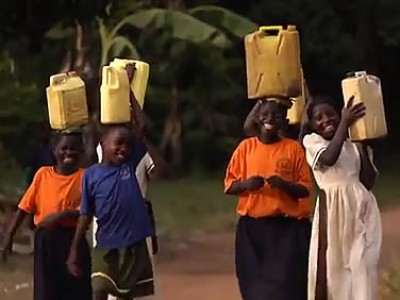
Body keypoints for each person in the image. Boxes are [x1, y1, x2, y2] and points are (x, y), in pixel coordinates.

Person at [67, 64, 154, 300]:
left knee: (125, 295)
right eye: (117, 144)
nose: (122, 148)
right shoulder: (92, 173)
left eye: (127, 144)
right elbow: (85, 213)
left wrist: (127, 90)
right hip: (104, 243)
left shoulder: (129, 161)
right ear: (101, 144)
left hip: (131, 241)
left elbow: (142, 127)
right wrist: (74, 250)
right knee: (99, 291)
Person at [224, 99, 313, 300]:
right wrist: (246, 184)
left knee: (287, 287)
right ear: (257, 117)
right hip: (252, 230)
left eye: (276, 115)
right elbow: (229, 186)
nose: (270, 119)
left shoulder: (293, 149)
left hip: (286, 230)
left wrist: (284, 184)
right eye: (265, 114)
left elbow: (305, 190)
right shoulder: (245, 148)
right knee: (253, 287)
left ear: (284, 121)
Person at [303, 96, 381, 300]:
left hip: (361, 211)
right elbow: (329, 158)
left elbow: (368, 181)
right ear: (311, 124)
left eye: (331, 115)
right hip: (333, 214)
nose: (326, 120)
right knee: (334, 268)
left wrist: (361, 145)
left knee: (362, 264)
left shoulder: (353, 144)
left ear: (339, 115)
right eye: (318, 118)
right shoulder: (312, 142)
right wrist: (345, 123)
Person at [1, 130, 91, 300]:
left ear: (81, 151)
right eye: (64, 148)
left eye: (74, 148)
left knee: (77, 288)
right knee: (46, 289)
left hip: (73, 238)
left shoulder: (85, 177)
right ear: (54, 150)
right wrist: (9, 237)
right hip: (46, 240)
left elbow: (87, 210)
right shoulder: (43, 174)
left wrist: (60, 216)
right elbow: (24, 208)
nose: (68, 152)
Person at [94, 138, 158, 300]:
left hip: (135, 228)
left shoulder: (140, 152)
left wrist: (143, 138)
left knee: (129, 283)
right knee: (103, 282)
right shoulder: (102, 147)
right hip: (107, 227)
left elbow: (160, 171)